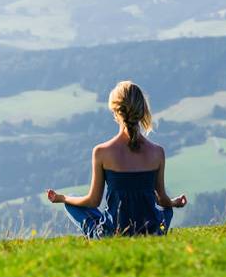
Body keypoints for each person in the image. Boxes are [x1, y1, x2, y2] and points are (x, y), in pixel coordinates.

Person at [46, 80, 187, 237]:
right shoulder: (158, 152)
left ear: (115, 112)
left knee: (71, 200)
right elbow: (162, 200)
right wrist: (174, 203)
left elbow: (93, 201)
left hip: (114, 233)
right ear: (143, 111)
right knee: (166, 211)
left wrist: (62, 198)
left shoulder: (101, 152)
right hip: (151, 231)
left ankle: (96, 235)